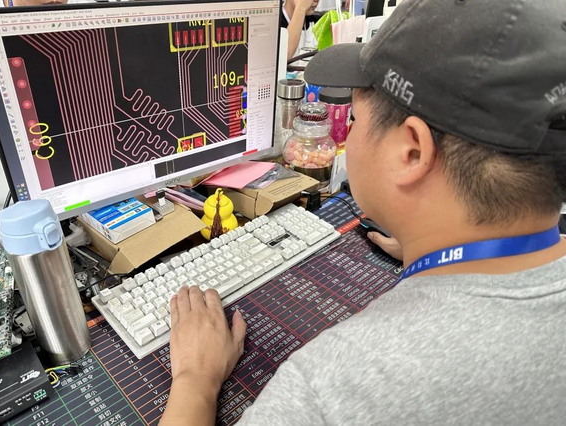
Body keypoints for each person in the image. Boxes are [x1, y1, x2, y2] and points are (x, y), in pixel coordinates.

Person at [161, 0, 566, 424]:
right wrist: (427, 239)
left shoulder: (333, 389)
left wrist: (195, 378)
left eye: (353, 119)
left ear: (411, 152)